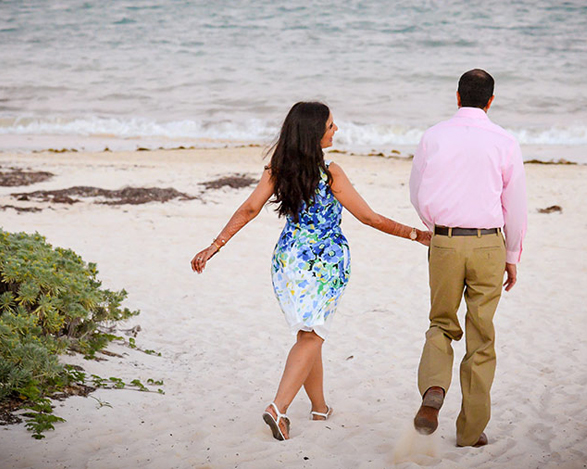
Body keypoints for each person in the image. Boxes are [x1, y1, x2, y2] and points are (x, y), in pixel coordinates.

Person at [191, 101, 431, 441]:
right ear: (315, 132)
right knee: (312, 335)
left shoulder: (278, 169)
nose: (336, 130)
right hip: (324, 263)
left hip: (288, 260)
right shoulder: (331, 171)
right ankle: (278, 408)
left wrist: (215, 245)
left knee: (308, 333)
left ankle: (319, 407)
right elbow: (369, 217)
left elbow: (249, 208)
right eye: (331, 125)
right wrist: (417, 235)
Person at [409, 69, 527, 447]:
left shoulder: (434, 135)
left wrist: (439, 229)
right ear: (490, 101)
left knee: (441, 323)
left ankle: (433, 389)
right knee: (481, 337)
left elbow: (417, 193)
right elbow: (516, 207)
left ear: (457, 97)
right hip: (488, 244)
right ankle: (470, 432)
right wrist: (512, 253)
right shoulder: (505, 141)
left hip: (444, 240)